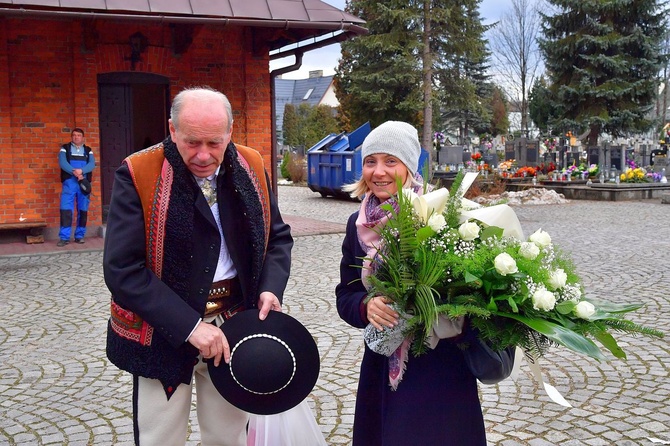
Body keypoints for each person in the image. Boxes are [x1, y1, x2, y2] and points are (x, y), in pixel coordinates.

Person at [103, 86, 293, 446]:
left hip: (235, 324)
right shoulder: (138, 172)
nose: (203, 155)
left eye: (214, 143)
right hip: (162, 330)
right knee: (161, 437)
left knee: (228, 436)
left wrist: (270, 287)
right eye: (192, 142)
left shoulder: (250, 164)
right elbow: (122, 269)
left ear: (230, 132)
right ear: (172, 130)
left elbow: (277, 238)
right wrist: (190, 327)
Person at [336, 121, 511, 445]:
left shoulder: (441, 214)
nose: (379, 171)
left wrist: (448, 308)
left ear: (410, 165)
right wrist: (366, 305)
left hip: (440, 368)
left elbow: (476, 288)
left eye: (391, 161)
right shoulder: (357, 224)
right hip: (382, 368)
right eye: (371, 161)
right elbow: (346, 293)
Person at [58, 128, 95, 246]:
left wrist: (82, 172)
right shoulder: (65, 148)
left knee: (83, 210)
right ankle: (64, 237)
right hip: (70, 182)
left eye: (79, 135)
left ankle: (80, 236)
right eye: (74, 135)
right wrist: (75, 172)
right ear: (71, 137)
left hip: (83, 183)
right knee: (66, 210)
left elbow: (92, 164)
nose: (76, 137)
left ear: (83, 138)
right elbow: (63, 163)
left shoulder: (88, 150)